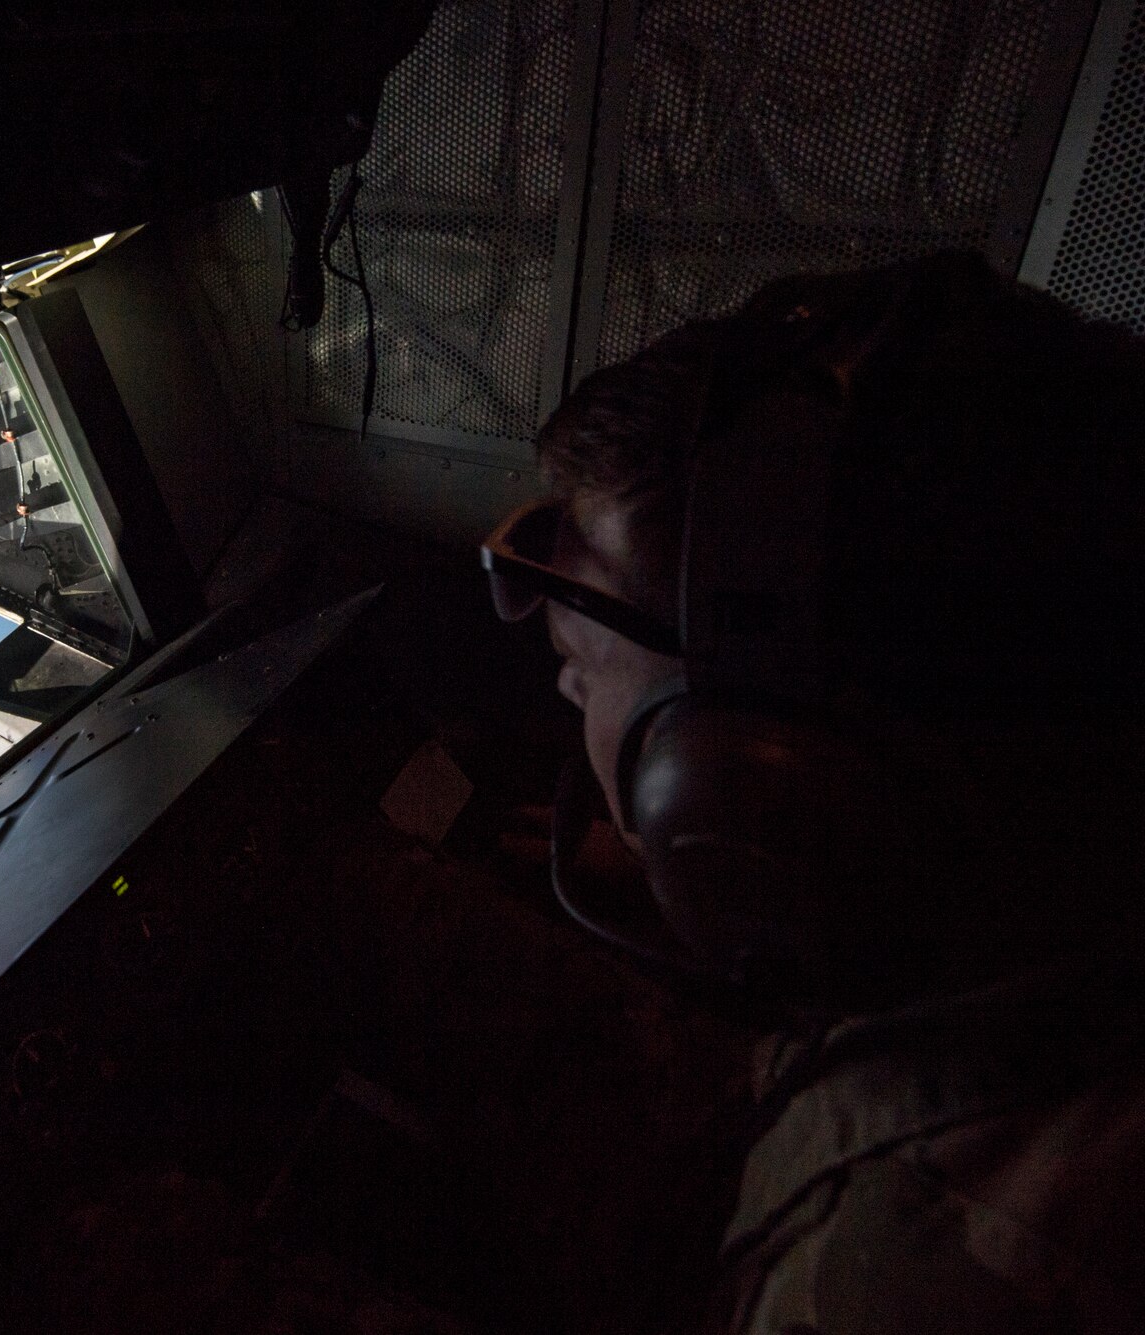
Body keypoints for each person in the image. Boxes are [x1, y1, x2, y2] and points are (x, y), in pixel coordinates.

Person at [482, 250, 1145, 1333]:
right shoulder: (1048, 862)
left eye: (583, 666)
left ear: (755, 782)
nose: (565, 687)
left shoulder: (918, 1288)